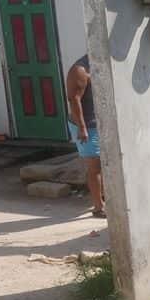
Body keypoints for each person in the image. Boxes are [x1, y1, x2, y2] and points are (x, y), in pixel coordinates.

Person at [66, 55, 105, 218]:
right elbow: (74, 99)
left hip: (99, 122)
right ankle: (98, 207)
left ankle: (101, 199)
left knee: (102, 166)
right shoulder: (80, 70)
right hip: (86, 124)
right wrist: (82, 128)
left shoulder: (100, 64)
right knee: (95, 167)